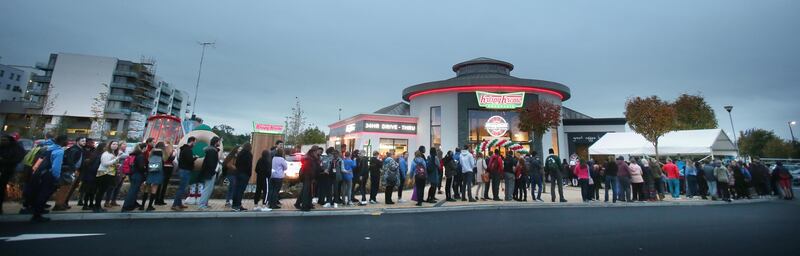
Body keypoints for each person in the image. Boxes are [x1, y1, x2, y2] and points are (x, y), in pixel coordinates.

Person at [28, 135, 68, 222]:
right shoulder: (59, 151)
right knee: (44, 194)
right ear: (62, 141)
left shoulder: (48, 148)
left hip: (40, 172)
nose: (67, 142)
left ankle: (36, 211)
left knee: (39, 192)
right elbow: (56, 167)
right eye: (66, 140)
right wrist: (56, 178)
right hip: (49, 174)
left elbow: (40, 160)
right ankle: (37, 215)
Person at [52, 137, 86, 211]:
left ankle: (62, 203)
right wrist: (74, 169)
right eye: (82, 141)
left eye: (84, 141)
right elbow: (71, 161)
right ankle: (58, 204)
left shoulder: (79, 149)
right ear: (77, 142)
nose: (84, 142)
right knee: (64, 188)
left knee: (68, 188)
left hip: (72, 170)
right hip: (70, 171)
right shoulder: (75, 150)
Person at [0, 133, 25, 214]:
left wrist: (4, 160)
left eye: (4, 140)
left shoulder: (15, 148)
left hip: (7, 171)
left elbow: (18, 158)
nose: (2, 141)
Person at [171, 137, 196, 211]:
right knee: (182, 188)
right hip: (185, 170)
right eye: (194, 142)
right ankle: (175, 205)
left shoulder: (183, 149)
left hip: (183, 170)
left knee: (182, 188)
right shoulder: (188, 150)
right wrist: (195, 158)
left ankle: (179, 203)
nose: (195, 144)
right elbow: (189, 160)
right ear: (191, 142)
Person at [197, 137, 221, 211]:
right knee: (207, 189)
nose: (219, 143)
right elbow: (211, 163)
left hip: (207, 172)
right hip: (210, 172)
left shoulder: (211, 150)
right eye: (219, 141)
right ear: (215, 142)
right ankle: (202, 205)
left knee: (207, 188)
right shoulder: (212, 151)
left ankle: (205, 203)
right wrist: (214, 171)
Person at [122, 143, 147, 212]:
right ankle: (126, 206)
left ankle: (131, 204)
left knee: (133, 190)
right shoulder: (140, 155)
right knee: (133, 191)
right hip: (138, 175)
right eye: (146, 147)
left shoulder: (133, 154)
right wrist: (145, 168)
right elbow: (141, 167)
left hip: (132, 174)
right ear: (143, 148)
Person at [141, 142, 166, 211]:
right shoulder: (162, 152)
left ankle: (142, 206)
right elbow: (164, 161)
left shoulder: (152, 151)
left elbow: (148, 159)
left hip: (150, 171)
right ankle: (149, 206)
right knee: (154, 188)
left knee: (147, 188)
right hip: (158, 172)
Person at [297, 146, 321, 211]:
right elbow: (310, 169)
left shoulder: (311, 157)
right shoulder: (309, 158)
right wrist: (312, 177)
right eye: (317, 151)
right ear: (314, 151)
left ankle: (305, 204)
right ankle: (304, 206)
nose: (318, 152)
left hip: (308, 176)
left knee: (308, 191)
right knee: (306, 191)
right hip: (308, 176)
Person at [231, 143, 253, 211]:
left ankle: (234, 205)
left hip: (238, 173)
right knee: (241, 191)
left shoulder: (240, 154)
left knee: (236, 189)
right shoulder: (249, 155)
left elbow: (236, 164)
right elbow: (249, 166)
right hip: (245, 174)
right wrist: (249, 174)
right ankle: (238, 205)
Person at [105, 143, 128, 207]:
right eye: (124, 144)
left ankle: (113, 201)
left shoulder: (123, 152)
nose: (125, 146)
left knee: (118, 187)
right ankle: (107, 201)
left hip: (122, 171)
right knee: (112, 187)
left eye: (126, 145)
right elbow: (126, 156)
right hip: (116, 171)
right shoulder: (119, 152)